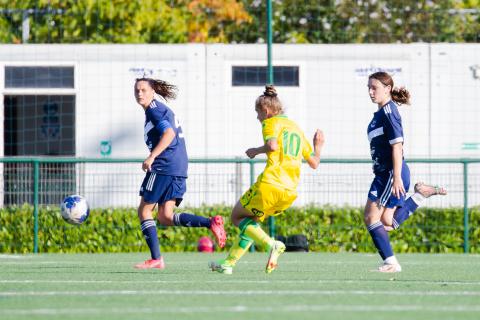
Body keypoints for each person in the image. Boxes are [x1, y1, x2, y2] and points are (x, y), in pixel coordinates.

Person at [209, 85, 324, 274]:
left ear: (266, 111)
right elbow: (314, 162)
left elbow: (272, 145)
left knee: (237, 216)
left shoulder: (270, 123)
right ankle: (228, 264)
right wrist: (318, 146)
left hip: (271, 183)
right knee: (251, 223)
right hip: (289, 192)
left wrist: (255, 150)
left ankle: (271, 245)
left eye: (257, 113)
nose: (257, 118)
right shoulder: (296, 128)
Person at [133, 77, 226, 269]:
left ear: (152, 92)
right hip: (179, 166)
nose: (139, 94)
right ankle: (211, 223)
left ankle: (156, 259)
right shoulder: (158, 109)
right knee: (165, 216)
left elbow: (169, 134)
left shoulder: (154, 111)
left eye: (143, 90)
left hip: (164, 166)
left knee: (144, 210)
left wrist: (152, 157)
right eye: (137, 90)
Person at [365, 72, 447, 273]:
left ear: (387, 89)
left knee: (371, 217)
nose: (370, 91)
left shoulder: (389, 112)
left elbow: (397, 146)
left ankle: (391, 262)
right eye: (369, 87)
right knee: (386, 222)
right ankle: (421, 195)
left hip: (391, 173)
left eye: (374, 87)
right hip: (386, 173)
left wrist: (396, 178)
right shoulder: (380, 113)